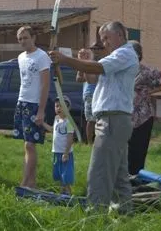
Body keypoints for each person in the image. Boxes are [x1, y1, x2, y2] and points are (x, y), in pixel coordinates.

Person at [49, 21, 139, 213]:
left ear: (121, 35)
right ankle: (124, 214)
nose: (104, 42)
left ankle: (95, 215)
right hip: (112, 120)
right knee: (118, 174)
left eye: (107, 37)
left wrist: (65, 59)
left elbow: (96, 68)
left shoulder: (125, 53)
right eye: (102, 38)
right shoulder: (116, 57)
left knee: (100, 171)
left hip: (113, 120)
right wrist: (82, 63)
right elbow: (91, 77)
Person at [13, 26, 51, 189]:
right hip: (22, 102)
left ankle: (25, 183)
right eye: (20, 38)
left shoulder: (42, 56)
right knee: (27, 144)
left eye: (25, 38)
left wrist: (41, 110)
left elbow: (45, 84)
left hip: (35, 104)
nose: (23, 41)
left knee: (30, 144)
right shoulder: (21, 57)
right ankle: (32, 183)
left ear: (33, 37)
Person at [128, 40, 161, 175]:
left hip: (143, 118)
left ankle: (135, 182)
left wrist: (150, 91)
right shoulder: (122, 71)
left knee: (137, 153)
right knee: (125, 152)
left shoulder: (145, 71)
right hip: (125, 117)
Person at [43, 96, 74, 195]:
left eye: (61, 106)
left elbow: (70, 139)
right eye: (57, 106)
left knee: (66, 174)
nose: (59, 108)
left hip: (65, 153)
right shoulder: (56, 119)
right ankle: (62, 192)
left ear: (68, 108)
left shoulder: (69, 121)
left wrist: (66, 153)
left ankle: (68, 193)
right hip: (56, 152)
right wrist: (42, 124)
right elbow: (52, 130)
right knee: (59, 173)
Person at [76, 43, 104, 145]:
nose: (95, 50)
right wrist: (90, 75)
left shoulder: (104, 62)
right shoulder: (86, 63)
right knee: (91, 119)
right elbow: (78, 78)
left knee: (100, 119)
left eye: (98, 48)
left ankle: (98, 142)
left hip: (101, 93)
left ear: (102, 50)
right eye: (93, 48)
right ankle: (90, 143)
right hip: (90, 93)